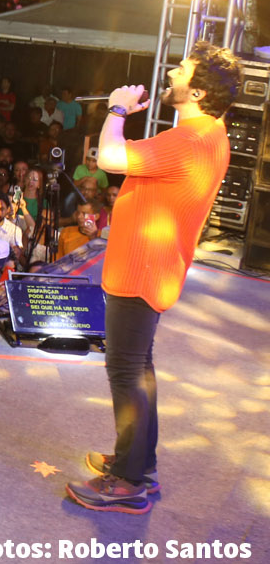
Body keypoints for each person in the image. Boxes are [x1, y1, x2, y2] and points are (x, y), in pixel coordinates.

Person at [69, 49, 240, 515]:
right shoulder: (210, 134)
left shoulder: (189, 139)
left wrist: (118, 109)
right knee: (138, 371)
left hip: (142, 268)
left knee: (125, 372)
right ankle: (139, 463)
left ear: (198, 92)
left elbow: (108, 156)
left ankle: (126, 481)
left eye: (181, 71)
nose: (170, 73)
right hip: (155, 266)